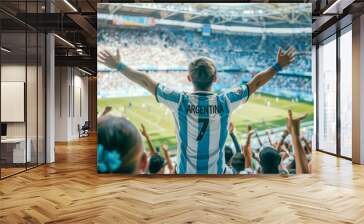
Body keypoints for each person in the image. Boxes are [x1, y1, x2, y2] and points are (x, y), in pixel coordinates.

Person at [98, 47, 296, 174]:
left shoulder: (180, 100)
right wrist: (278, 65)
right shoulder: (226, 101)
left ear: (189, 79)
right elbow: (256, 82)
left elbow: (145, 81)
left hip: (185, 174)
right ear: (215, 78)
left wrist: (118, 65)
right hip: (218, 174)